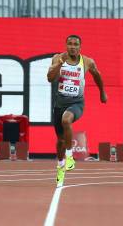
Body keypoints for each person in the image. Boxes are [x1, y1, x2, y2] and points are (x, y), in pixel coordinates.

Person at [47, 35, 107, 187]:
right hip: (59, 105)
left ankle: (69, 157)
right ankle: (60, 167)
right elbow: (50, 78)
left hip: (77, 104)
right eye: (70, 44)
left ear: (80, 47)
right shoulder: (57, 58)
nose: (73, 47)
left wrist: (102, 93)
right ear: (66, 45)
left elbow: (97, 75)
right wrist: (59, 65)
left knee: (66, 120)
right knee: (60, 141)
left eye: (76, 44)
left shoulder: (87, 62)